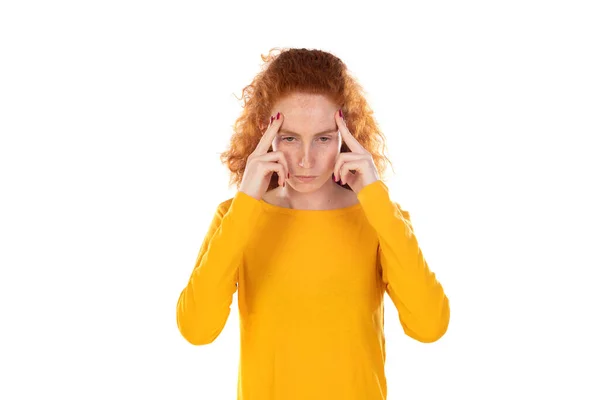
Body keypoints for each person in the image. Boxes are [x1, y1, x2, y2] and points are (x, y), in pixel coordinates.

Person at [176, 47, 450, 400]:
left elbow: (429, 326)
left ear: (346, 134)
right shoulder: (236, 217)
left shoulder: (380, 218)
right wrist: (247, 200)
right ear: (266, 133)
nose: (306, 160)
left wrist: (375, 196)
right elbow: (197, 329)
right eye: (290, 138)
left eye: (323, 138)